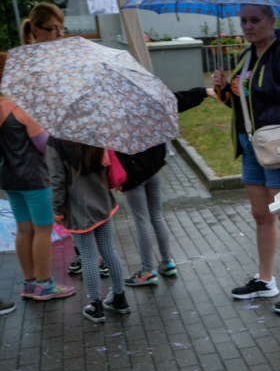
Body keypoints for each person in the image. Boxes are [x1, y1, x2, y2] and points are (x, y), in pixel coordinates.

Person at [212, 4, 280, 314]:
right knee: (262, 215)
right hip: (252, 147)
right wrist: (223, 90)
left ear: (272, 21)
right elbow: (243, 105)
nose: (248, 26)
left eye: (255, 20)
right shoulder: (248, 55)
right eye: (244, 20)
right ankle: (266, 279)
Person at [22, 2, 110, 277]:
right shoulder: (29, 65)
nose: (60, 34)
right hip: (49, 143)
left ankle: (101, 254)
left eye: (62, 28)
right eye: (53, 29)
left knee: (87, 196)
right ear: (36, 30)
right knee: (66, 198)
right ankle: (82, 253)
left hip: (75, 139)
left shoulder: (65, 56)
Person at [118, 87, 216, 286]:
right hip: (154, 168)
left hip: (133, 173)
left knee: (141, 219)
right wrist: (203, 91)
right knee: (157, 215)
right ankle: (167, 262)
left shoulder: (113, 110)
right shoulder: (148, 98)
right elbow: (176, 100)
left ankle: (146, 271)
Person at [0, 52, 75, 301]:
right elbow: (45, 146)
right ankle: (45, 285)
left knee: (24, 230)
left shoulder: (1, 107)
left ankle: (30, 282)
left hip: (10, 179)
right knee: (42, 230)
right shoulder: (25, 110)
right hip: (35, 180)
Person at [46, 139, 129, 323]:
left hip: (77, 208)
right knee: (109, 249)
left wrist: (58, 209)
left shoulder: (56, 141)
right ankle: (119, 298)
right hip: (102, 201)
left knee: (88, 256)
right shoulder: (95, 132)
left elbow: (57, 179)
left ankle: (95, 306)